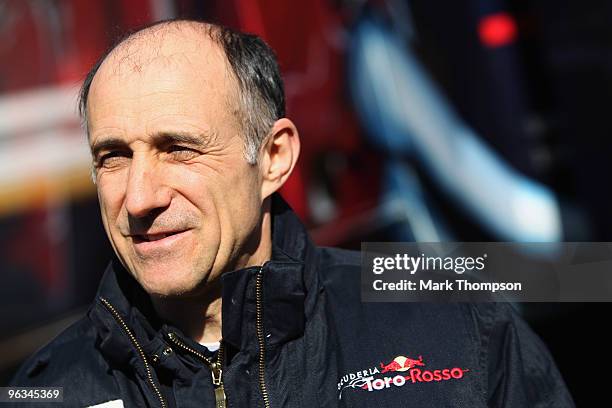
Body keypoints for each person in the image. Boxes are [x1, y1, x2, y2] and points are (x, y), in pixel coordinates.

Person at [10, 19, 574, 407]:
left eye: (179, 149)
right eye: (113, 158)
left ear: (274, 158)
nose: (139, 199)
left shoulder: (458, 329)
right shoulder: (46, 390)